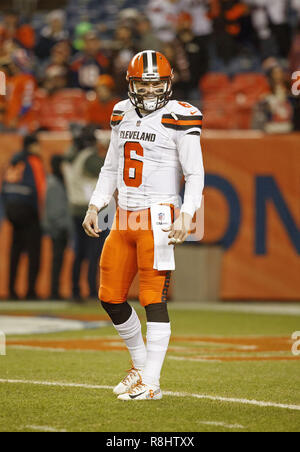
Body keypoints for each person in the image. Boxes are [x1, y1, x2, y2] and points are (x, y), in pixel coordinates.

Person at [83, 50, 204, 400]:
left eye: (156, 84)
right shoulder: (120, 112)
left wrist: (187, 214)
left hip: (160, 216)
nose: (150, 91)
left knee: (153, 298)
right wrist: (95, 205)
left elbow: (194, 174)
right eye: (143, 84)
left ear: (167, 84)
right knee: (109, 296)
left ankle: (152, 382)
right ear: (131, 84)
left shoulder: (181, 116)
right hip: (123, 217)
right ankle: (139, 365)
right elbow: (110, 167)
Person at [63, 125, 108, 302]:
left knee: (80, 253)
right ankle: (90, 290)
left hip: (75, 207)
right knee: (93, 253)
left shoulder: (70, 156)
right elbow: (108, 168)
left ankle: (75, 289)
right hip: (89, 211)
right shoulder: (88, 157)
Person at [1, 134, 46, 300]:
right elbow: (41, 188)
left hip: (12, 210)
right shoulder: (33, 161)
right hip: (29, 211)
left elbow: (4, 187)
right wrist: (42, 214)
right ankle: (30, 291)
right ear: (32, 146)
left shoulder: (13, 161)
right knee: (34, 252)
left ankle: (11, 290)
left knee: (15, 251)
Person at [43, 155, 72, 300]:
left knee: (59, 260)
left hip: (60, 227)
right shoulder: (55, 183)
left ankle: (55, 290)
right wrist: (63, 225)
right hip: (58, 228)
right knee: (57, 260)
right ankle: (54, 291)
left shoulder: (57, 182)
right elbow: (54, 211)